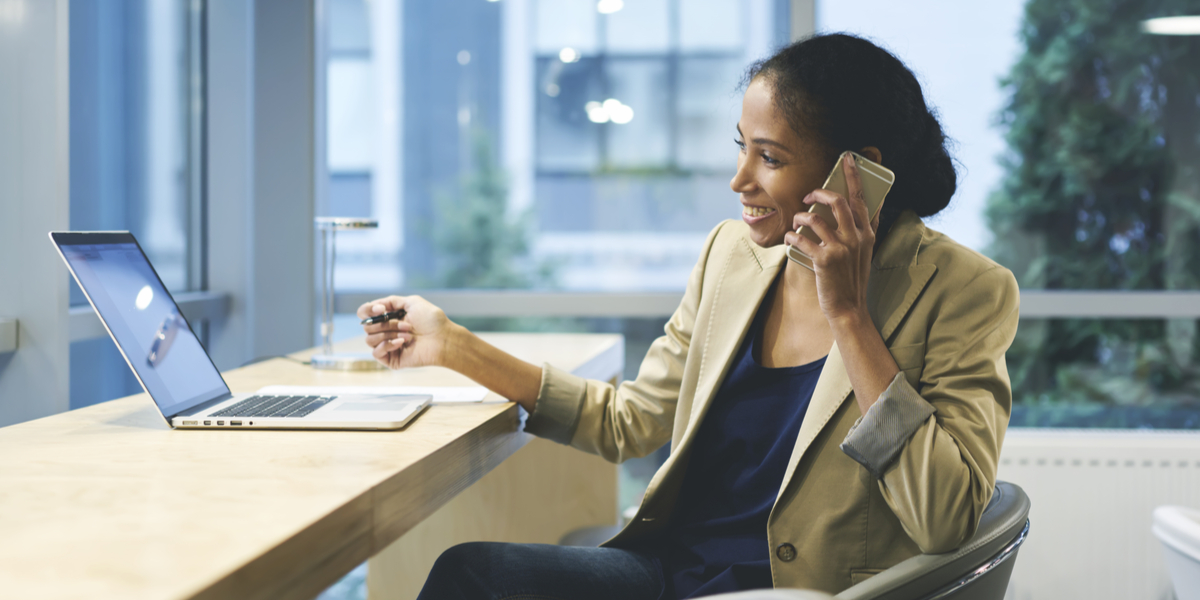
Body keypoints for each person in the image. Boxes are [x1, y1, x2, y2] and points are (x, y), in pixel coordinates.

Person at [358, 33, 1020, 599]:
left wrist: (848, 316)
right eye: (742, 147)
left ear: (860, 173)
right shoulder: (732, 255)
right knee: (475, 574)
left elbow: (945, 519)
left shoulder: (963, 291)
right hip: (671, 573)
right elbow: (631, 421)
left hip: (789, 593)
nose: (740, 181)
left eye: (771, 158)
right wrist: (453, 345)